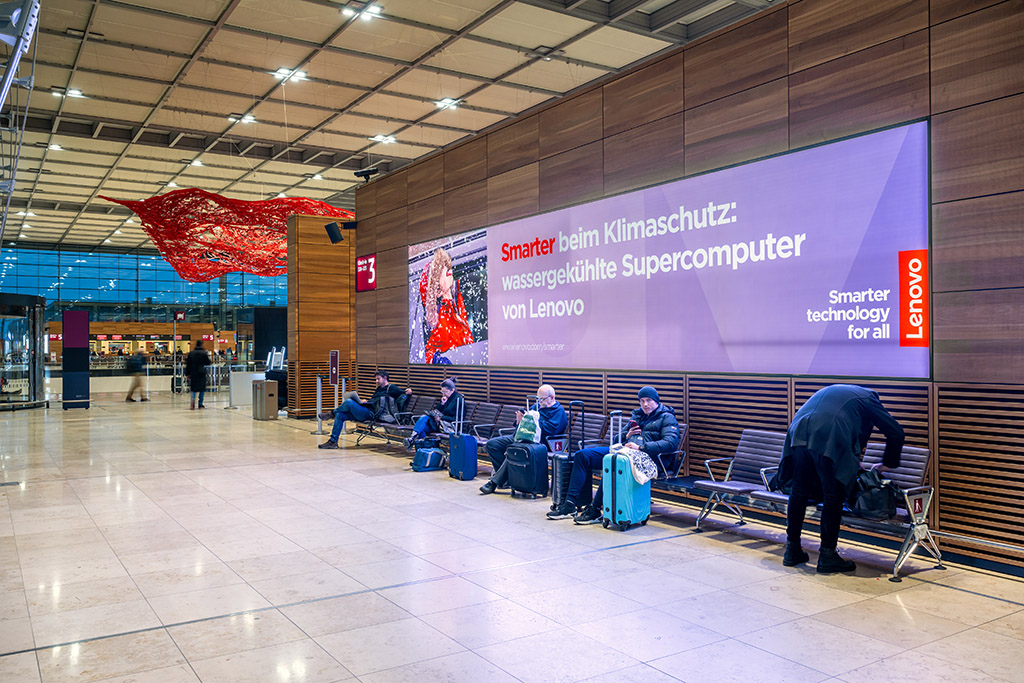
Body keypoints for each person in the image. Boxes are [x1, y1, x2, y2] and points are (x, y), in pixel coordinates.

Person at [775, 384, 905, 573]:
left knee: (799, 491)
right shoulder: (869, 399)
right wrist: (887, 464)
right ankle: (828, 555)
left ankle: (792, 550)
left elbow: (855, 429)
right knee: (833, 495)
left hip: (799, 429)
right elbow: (896, 432)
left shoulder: (840, 393)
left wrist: (855, 460)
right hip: (829, 432)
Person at [547, 386, 680, 524]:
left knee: (612, 462)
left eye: (649, 400)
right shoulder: (638, 416)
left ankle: (595, 509)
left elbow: (670, 443)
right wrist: (627, 435)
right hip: (626, 452)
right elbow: (616, 439)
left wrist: (641, 447)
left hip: (649, 459)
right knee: (582, 455)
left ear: (656, 401)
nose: (645, 404)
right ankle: (569, 504)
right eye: (642, 401)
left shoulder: (667, 417)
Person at [479, 384, 568, 494]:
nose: (539, 402)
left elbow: (550, 431)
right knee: (493, 444)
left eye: (542, 399)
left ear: (552, 397)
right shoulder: (536, 406)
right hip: (522, 437)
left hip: (540, 443)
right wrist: (519, 421)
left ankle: (494, 482)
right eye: (538, 399)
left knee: (516, 449)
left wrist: (532, 420)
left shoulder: (559, 412)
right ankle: (507, 479)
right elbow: (522, 425)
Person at [318, 370, 412, 449]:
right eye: (376, 379)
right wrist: (365, 401)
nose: (376, 381)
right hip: (367, 410)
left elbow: (404, 393)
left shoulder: (391, 388)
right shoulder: (379, 389)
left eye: (378, 379)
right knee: (340, 415)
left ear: (385, 378)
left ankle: (331, 414)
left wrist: (409, 391)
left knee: (349, 402)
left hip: (372, 414)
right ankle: (333, 442)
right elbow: (374, 401)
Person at [420, 247, 473, 364]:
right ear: (436, 290)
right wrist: (437, 360)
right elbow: (429, 352)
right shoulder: (440, 318)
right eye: (441, 270)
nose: (449, 271)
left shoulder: (457, 303)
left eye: (448, 267)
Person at [403, 378, 463, 449]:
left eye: (445, 392)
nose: (443, 394)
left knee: (422, 424)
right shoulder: (445, 398)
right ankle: (420, 448)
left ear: (452, 390)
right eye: (442, 391)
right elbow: (437, 410)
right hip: (439, 424)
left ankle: (413, 440)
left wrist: (441, 418)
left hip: (448, 426)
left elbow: (458, 419)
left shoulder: (459, 400)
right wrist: (442, 404)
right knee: (423, 422)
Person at [184, 341, 211, 409]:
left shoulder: (191, 353)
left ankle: (193, 400)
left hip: (193, 372)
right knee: (202, 388)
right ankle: (200, 403)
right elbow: (208, 362)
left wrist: (187, 373)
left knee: (193, 388)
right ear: (201, 345)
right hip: (201, 372)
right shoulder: (203, 353)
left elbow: (188, 364)